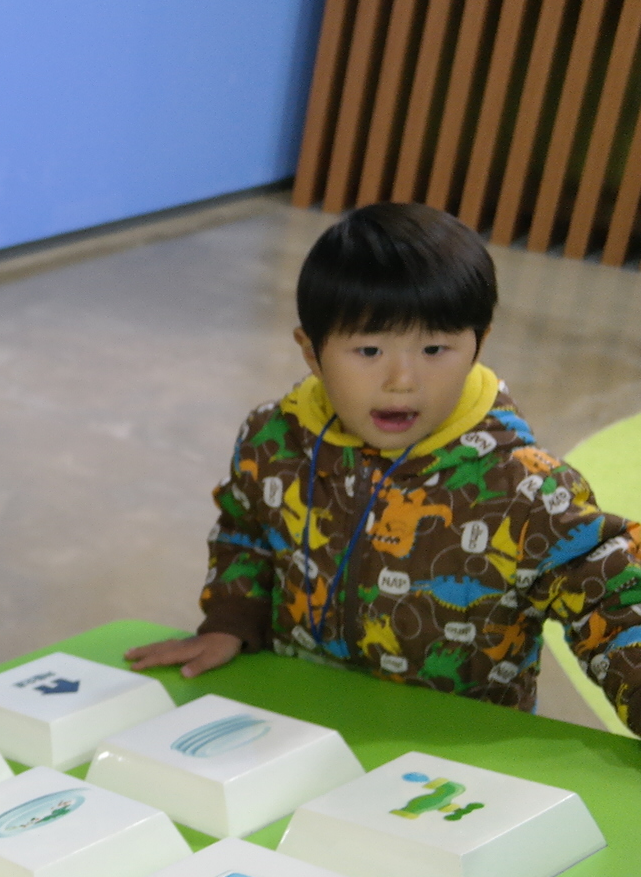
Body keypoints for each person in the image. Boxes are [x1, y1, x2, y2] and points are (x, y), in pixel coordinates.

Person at [127, 203, 641, 719]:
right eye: (369, 351)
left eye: (435, 349)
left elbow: (612, 598)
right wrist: (230, 621)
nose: (402, 379)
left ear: (478, 345)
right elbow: (246, 530)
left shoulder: (526, 486)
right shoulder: (275, 440)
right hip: (299, 716)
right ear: (312, 352)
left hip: (455, 746)